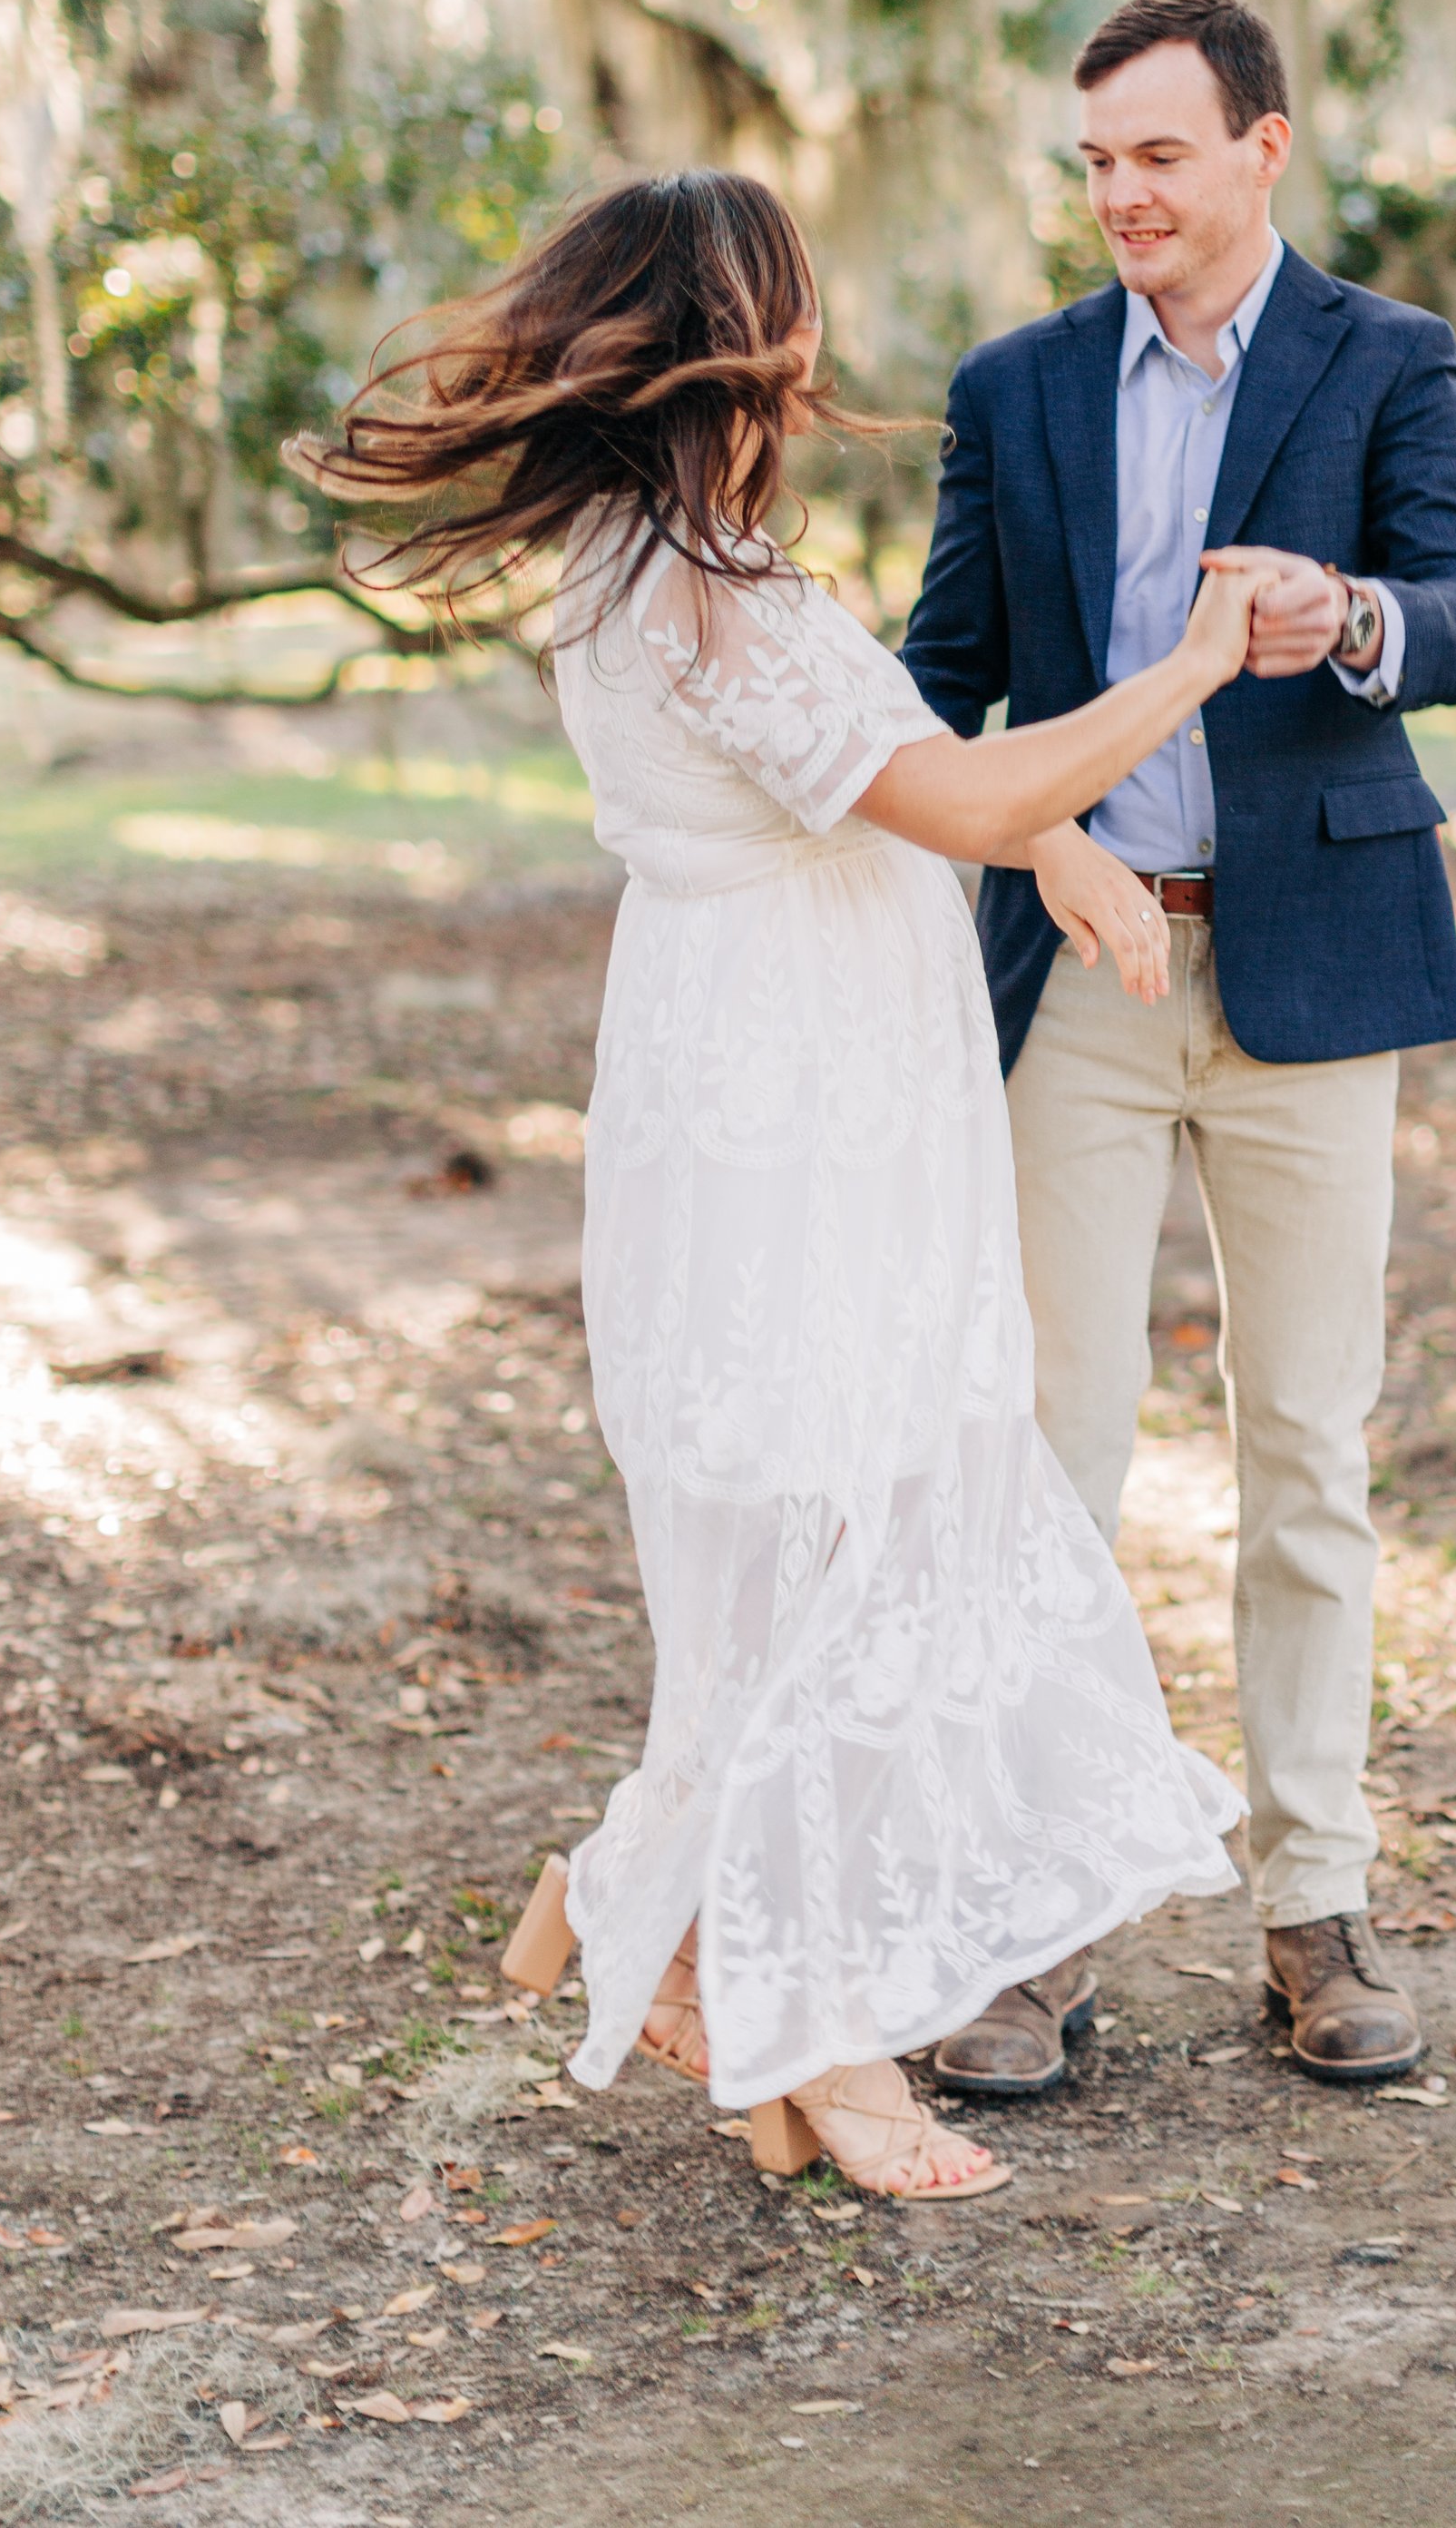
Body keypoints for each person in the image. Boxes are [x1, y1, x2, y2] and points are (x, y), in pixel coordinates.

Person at [307, 169, 1254, 2203]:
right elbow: (956, 784)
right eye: (789, 304)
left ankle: (658, 1909)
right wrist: (1188, 667)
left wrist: (1056, 848)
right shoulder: (708, 589)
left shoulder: (656, 560)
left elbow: (884, 765)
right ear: (735, 337)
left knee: (821, 1527)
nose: (814, 339)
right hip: (795, 1110)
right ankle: (805, 2019)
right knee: (852, 1527)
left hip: (785, 1076)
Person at [902, 0, 1456, 2091]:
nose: (1120, 196)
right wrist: (1045, 830)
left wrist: (1352, 619)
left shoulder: (1386, 357)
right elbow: (935, 685)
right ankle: (1034, 1926)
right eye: (1094, 161)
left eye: (1156, 154)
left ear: (1263, 146)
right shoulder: (1015, 388)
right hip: (1078, 972)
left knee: (1306, 1449)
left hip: (1313, 974)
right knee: (1049, 1455)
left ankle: (1310, 1908)